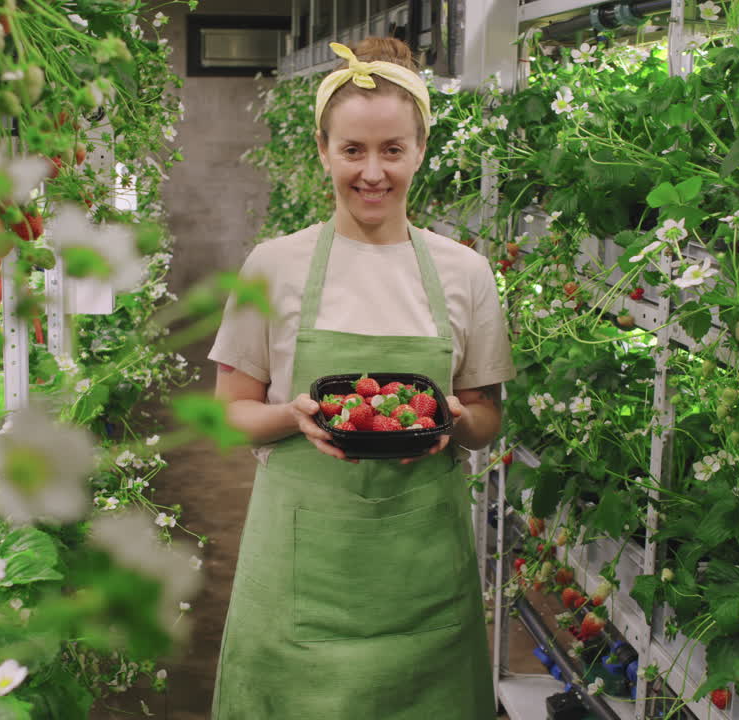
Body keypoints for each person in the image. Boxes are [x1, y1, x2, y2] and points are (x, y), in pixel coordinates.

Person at [207, 36, 515, 719]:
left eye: (392, 150)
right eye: (353, 151)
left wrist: (459, 423)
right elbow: (231, 413)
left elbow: (486, 415)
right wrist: (291, 416)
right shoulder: (272, 266)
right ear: (323, 150)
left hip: (424, 589)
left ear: (420, 150)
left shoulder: (464, 272)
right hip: (297, 589)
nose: (372, 173)